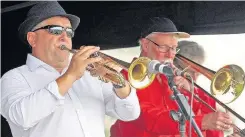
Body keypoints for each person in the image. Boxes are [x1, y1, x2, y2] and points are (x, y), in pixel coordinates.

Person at [1, 2, 140, 137]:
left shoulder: (89, 74)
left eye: (69, 32)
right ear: (32, 39)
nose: (64, 37)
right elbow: (22, 117)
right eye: (55, 30)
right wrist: (71, 75)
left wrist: (118, 82)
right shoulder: (13, 78)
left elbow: (129, 114)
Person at [110, 17, 234, 137]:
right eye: (163, 47)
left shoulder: (169, 77)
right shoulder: (127, 76)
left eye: (174, 48)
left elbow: (196, 118)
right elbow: (149, 119)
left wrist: (192, 91)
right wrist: (202, 122)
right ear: (146, 45)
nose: (171, 54)